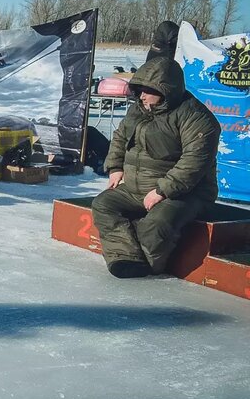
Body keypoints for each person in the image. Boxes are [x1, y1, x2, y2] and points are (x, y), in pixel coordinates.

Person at [92, 57, 220, 278]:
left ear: (166, 90)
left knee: (156, 223)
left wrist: (162, 191)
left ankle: (149, 267)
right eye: (139, 89)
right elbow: (120, 138)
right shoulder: (138, 110)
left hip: (185, 192)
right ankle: (127, 258)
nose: (141, 95)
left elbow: (195, 160)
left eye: (148, 90)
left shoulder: (197, 118)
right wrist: (115, 167)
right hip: (136, 187)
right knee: (103, 204)